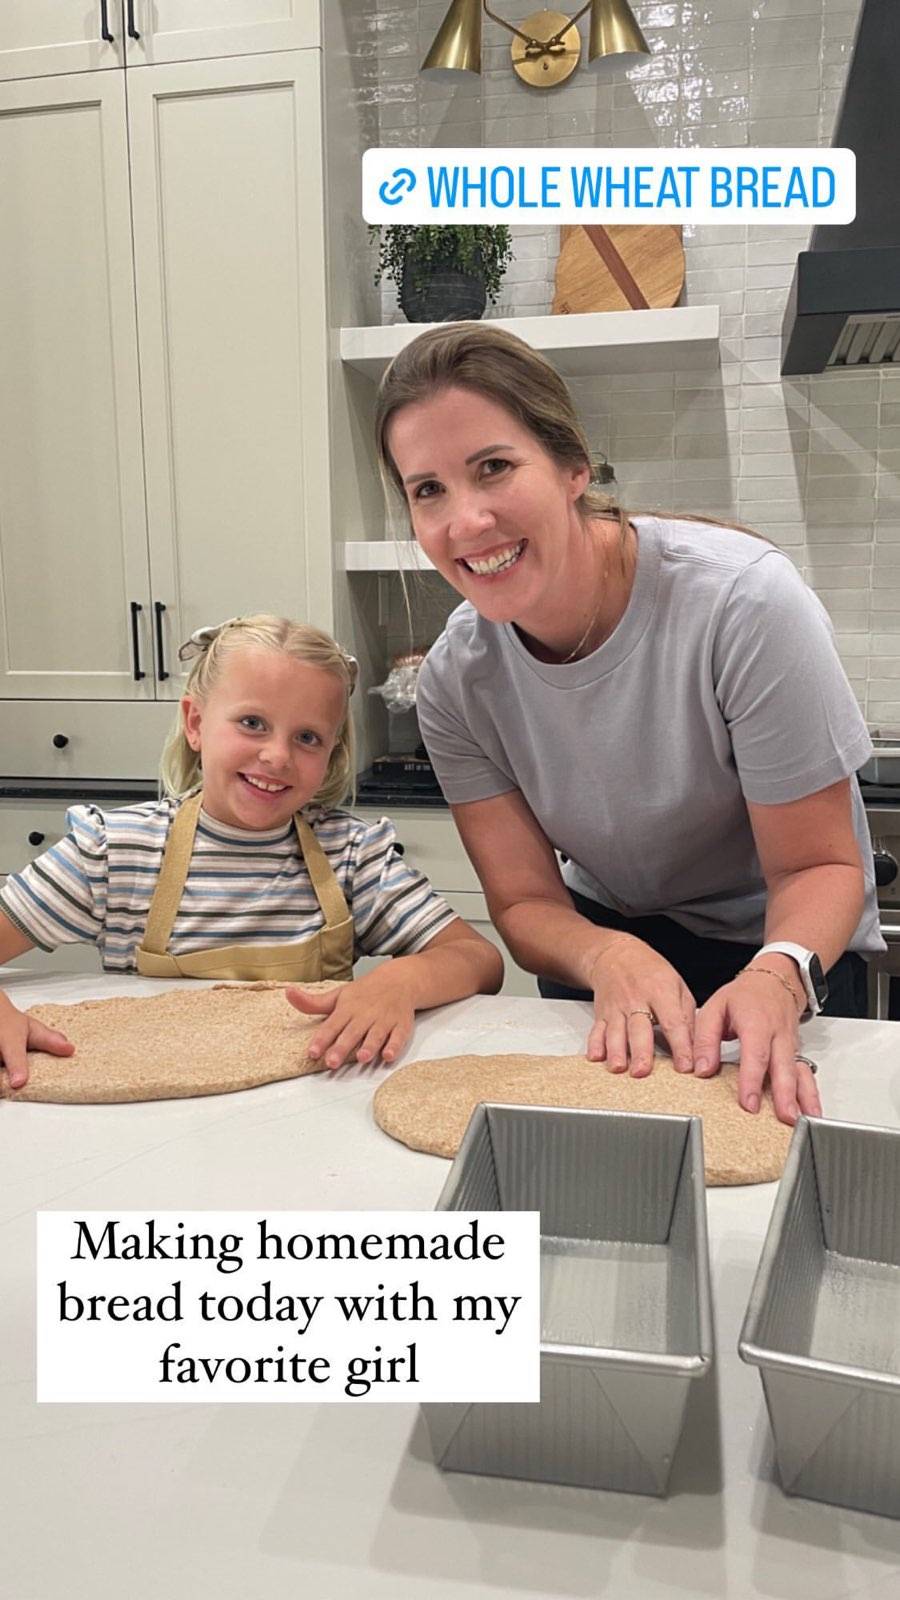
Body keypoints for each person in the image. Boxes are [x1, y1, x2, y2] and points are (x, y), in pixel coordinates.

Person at [374, 322, 884, 1127]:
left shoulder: (743, 603)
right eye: (427, 489)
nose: (466, 521)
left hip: (781, 948)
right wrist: (605, 952)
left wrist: (777, 975)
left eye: (494, 467)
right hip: (603, 954)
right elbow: (524, 900)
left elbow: (819, 866)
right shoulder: (454, 681)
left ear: (573, 467)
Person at [0, 614, 503, 1089]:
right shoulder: (115, 854)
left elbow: (479, 959)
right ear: (195, 723)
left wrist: (400, 982)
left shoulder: (352, 858)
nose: (277, 756)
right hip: (153, 1109)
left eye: (307, 737)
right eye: (252, 723)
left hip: (309, 1102)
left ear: (331, 755)